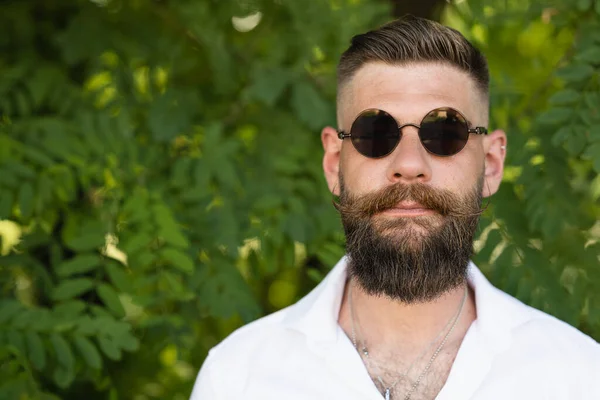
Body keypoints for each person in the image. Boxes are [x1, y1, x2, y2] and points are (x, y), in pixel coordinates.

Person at [190, 15, 600, 400]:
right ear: (334, 163)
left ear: (491, 164)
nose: (408, 166)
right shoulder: (237, 376)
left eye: (444, 133)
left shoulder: (579, 376)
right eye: (375, 132)